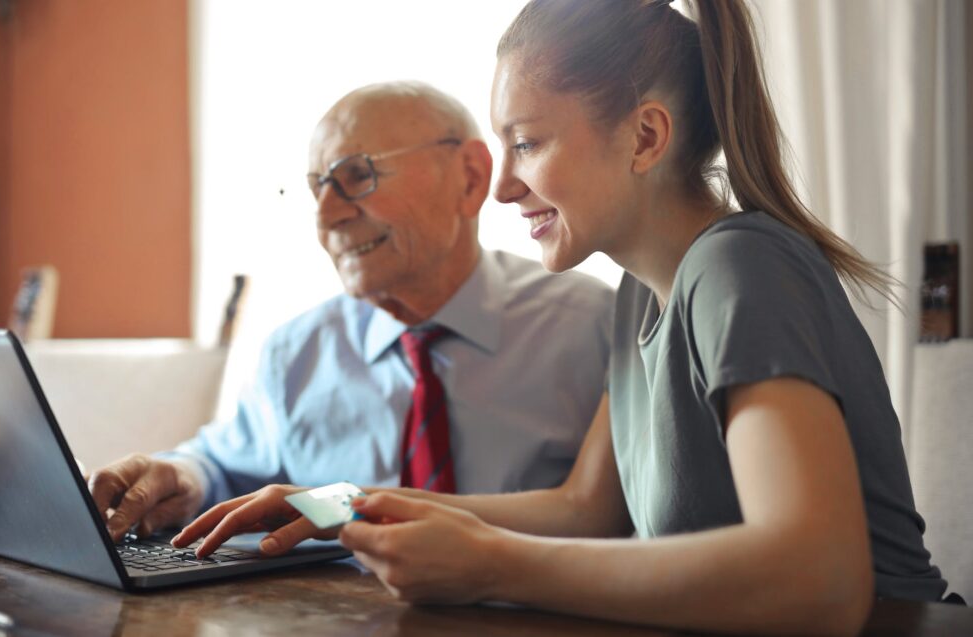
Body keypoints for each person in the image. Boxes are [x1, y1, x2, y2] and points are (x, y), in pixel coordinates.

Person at [174, 1, 954, 634]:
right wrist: (338, 502)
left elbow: (818, 581)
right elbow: (586, 509)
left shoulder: (737, 267)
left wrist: (489, 563)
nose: (504, 186)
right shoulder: (641, 297)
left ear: (646, 136)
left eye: (527, 142)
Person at [88, 81, 613, 544]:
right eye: (318, 187)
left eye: (356, 176)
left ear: (471, 178)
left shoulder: (592, 326)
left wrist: (337, 506)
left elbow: (611, 518)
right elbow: (225, 465)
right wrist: (181, 477)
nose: (326, 217)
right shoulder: (298, 350)